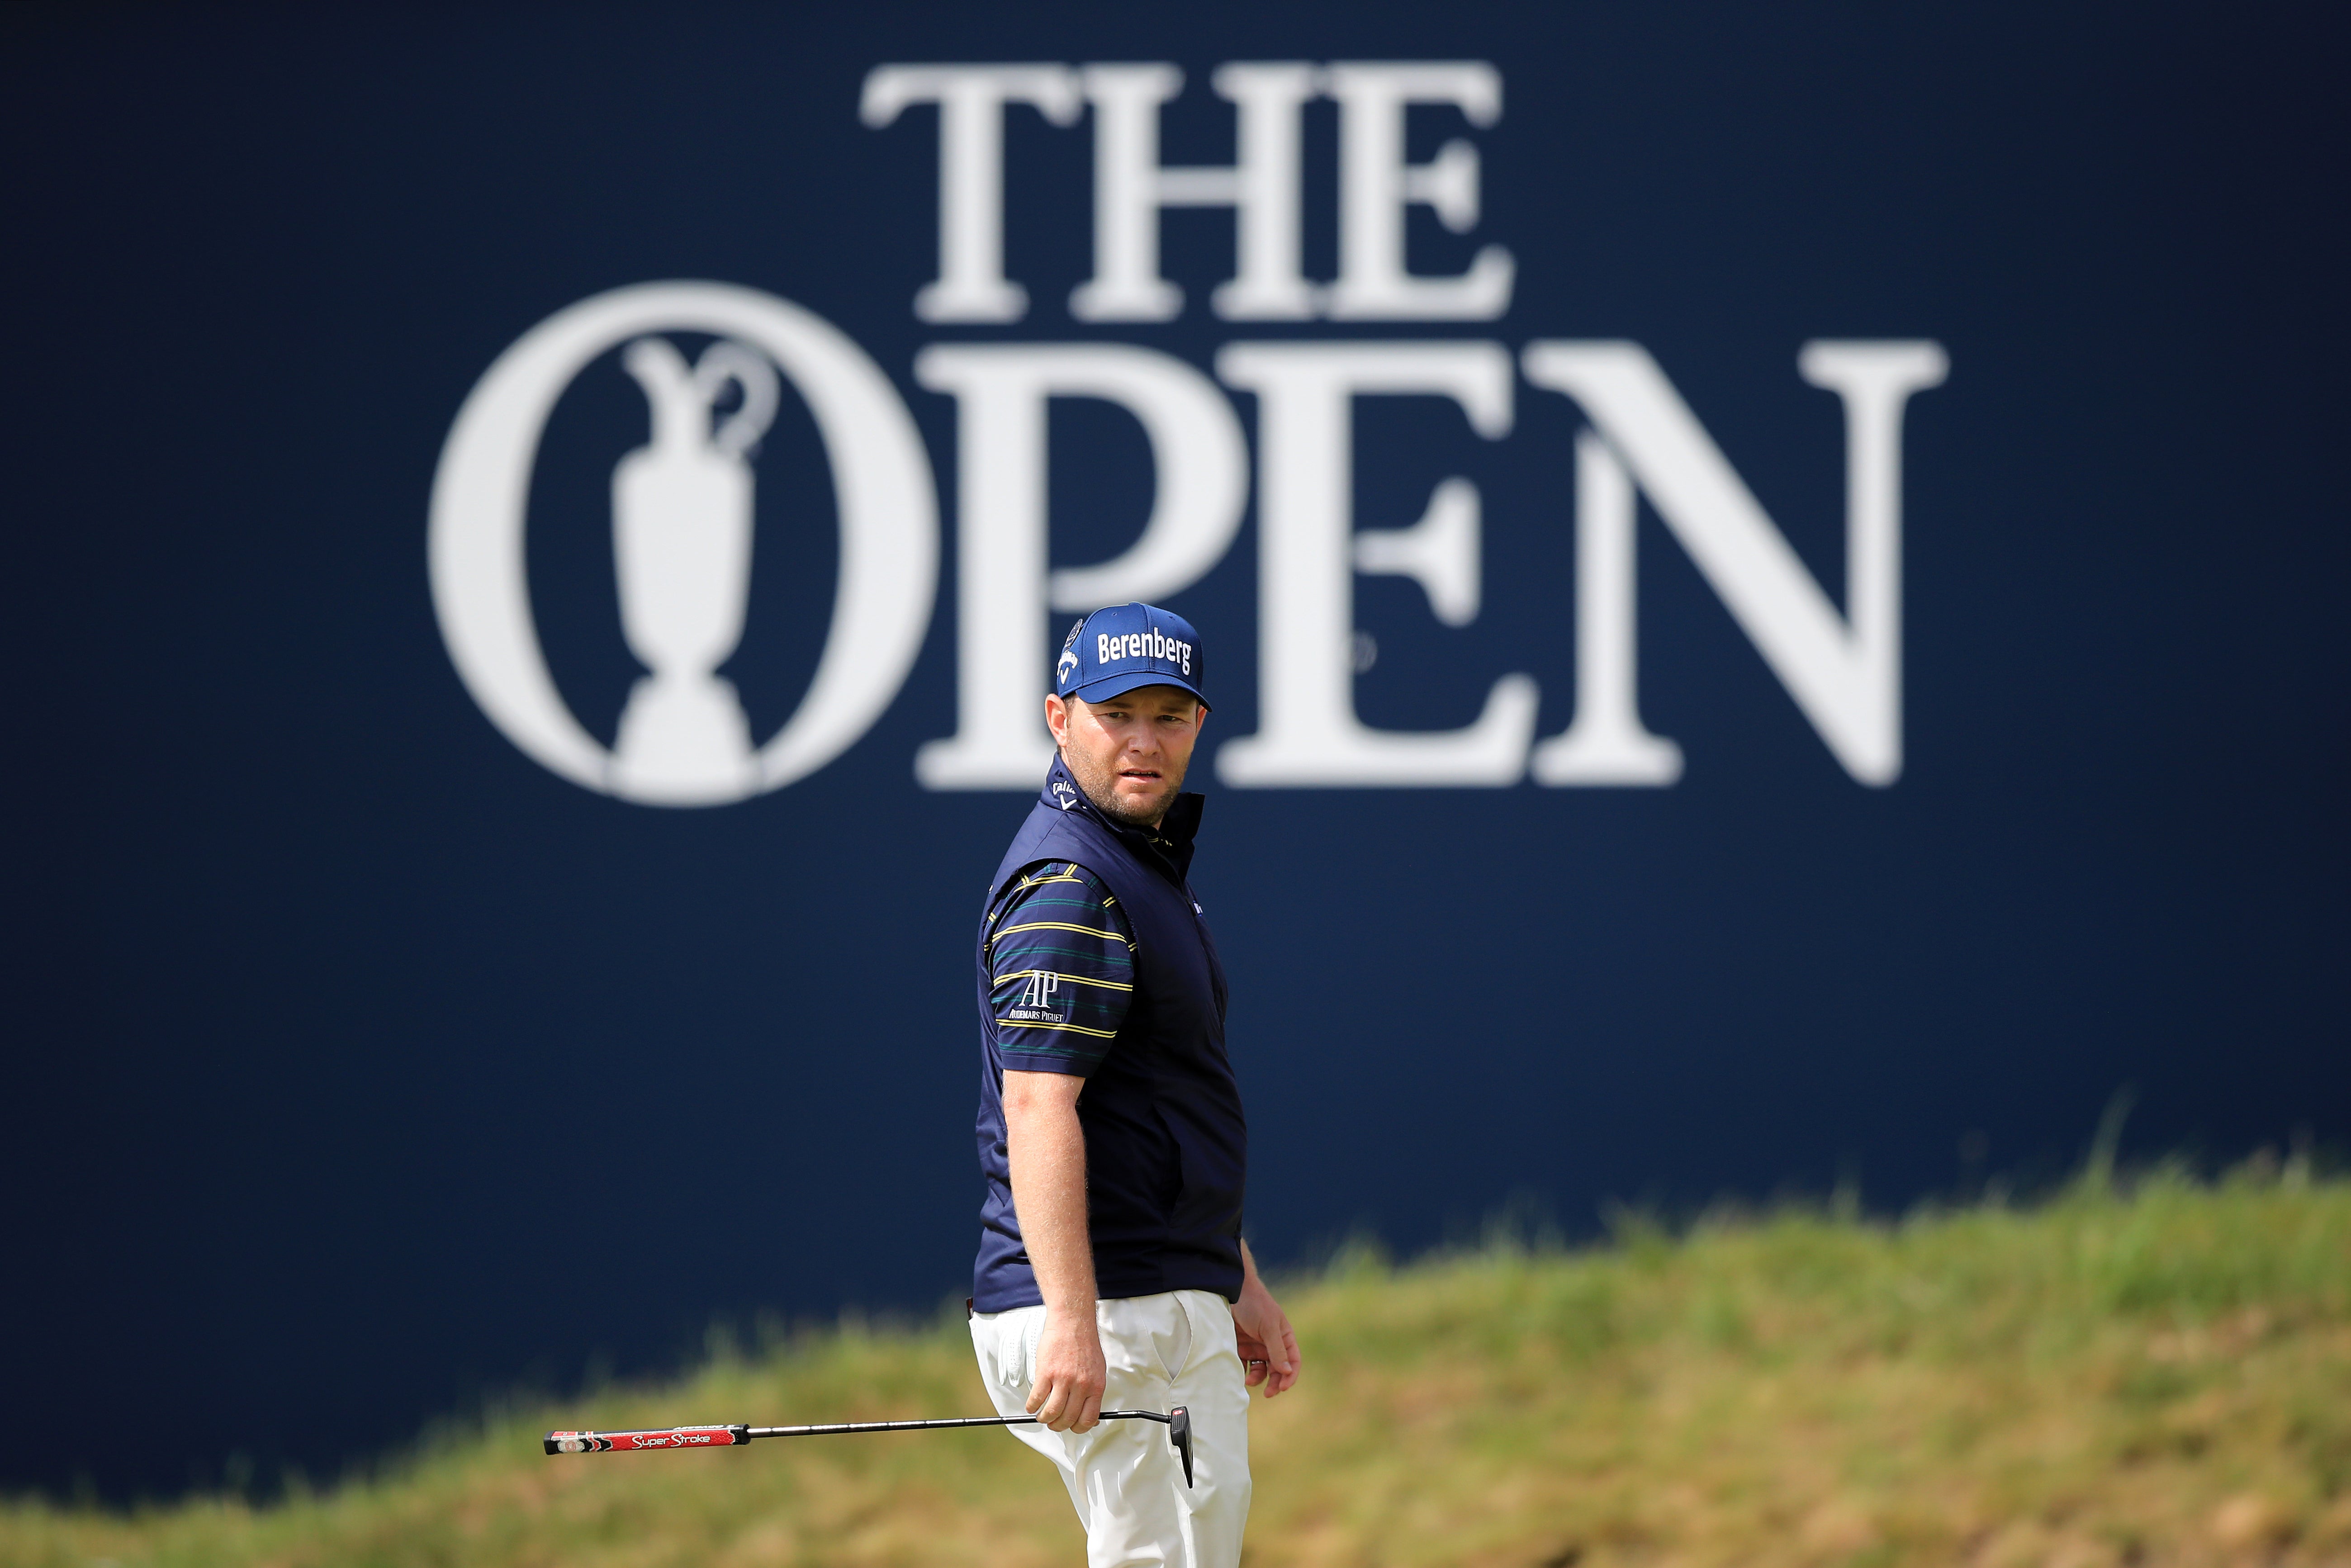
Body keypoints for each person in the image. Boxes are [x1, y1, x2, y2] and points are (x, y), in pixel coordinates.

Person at [967, 602, 1299, 1568]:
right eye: (1117, 716)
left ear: (1199, 724)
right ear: (1058, 717)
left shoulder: (1134, 868)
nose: (1143, 743)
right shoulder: (1072, 883)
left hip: (1158, 1287)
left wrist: (1234, 1276)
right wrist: (1073, 1324)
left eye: (1169, 715)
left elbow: (1154, 1104)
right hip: (1104, 1305)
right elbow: (1038, 1106)